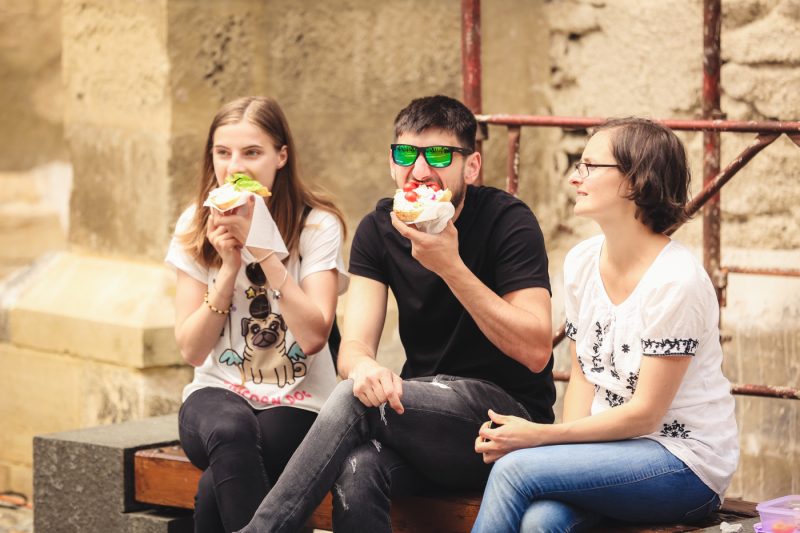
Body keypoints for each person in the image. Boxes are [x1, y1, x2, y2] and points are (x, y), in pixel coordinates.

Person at [236, 95, 556, 533]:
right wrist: (365, 367)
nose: (421, 171)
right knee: (357, 467)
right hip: (424, 419)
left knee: (351, 398)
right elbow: (354, 348)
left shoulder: (508, 221)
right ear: (392, 163)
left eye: (440, 155)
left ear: (472, 166)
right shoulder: (378, 228)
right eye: (407, 154)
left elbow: (536, 349)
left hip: (508, 424)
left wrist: (450, 265)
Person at [472, 117, 739, 533]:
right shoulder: (581, 261)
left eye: (589, 166)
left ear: (635, 181)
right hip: (607, 452)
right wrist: (568, 450)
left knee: (515, 469)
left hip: (684, 463)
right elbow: (583, 375)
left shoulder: (676, 280)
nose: (574, 177)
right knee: (541, 522)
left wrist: (541, 438)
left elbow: (646, 415)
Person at [165, 96, 349, 533]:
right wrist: (228, 267)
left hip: (300, 401)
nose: (235, 168)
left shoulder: (317, 226)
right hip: (216, 395)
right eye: (223, 153)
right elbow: (192, 349)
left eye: (252, 152)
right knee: (230, 433)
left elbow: (314, 335)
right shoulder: (195, 223)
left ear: (281, 157)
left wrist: (265, 252)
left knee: (217, 486)